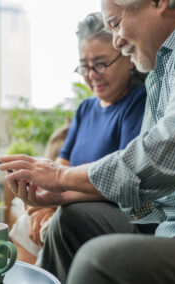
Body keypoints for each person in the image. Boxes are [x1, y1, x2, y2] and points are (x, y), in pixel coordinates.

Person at [0, 0, 175, 283]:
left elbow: (171, 154)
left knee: (101, 260)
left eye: (116, 23)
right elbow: (145, 187)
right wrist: (60, 195)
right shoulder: (162, 71)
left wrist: (62, 177)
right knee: (70, 221)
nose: (117, 40)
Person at [8, 12, 147, 265]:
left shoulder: (138, 103)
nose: (92, 74)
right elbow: (62, 165)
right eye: (85, 66)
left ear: (127, 58)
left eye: (101, 64)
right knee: (27, 221)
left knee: (56, 224)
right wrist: (44, 203)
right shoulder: (85, 109)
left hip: (107, 210)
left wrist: (55, 203)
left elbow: (125, 179)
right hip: (68, 203)